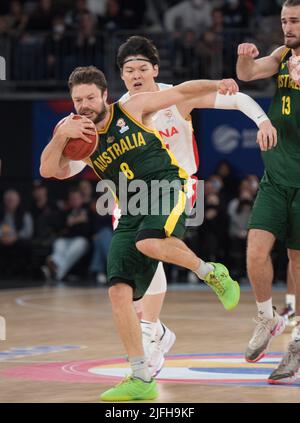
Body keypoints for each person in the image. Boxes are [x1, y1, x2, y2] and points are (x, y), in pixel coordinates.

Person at [40, 66, 275, 401]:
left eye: (90, 97)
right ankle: (140, 376)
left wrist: (217, 82)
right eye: (78, 100)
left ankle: (210, 272)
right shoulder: (81, 139)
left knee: (149, 241)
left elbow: (180, 92)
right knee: (118, 293)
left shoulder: (132, 108)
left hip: (166, 186)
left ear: (104, 95)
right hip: (130, 207)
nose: (84, 105)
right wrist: (61, 135)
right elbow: (48, 170)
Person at [115, 35, 278, 378]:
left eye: (143, 68)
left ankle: (150, 330)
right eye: (129, 70)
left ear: (155, 70)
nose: (136, 74)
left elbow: (237, 100)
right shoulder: (119, 112)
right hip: (131, 194)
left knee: (149, 243)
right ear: (122, 76)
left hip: (178, 185)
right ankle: (156, 331)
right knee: (128, 265)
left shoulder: (177, 97)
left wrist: (262, 120)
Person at [236, 0, 300, 385]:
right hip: (276, 176)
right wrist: (244, 59)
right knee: (256, 250)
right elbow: (247, 74)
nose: (288, 27)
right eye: (284, 20)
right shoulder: (282, 54)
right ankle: (267, 317)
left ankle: (296, 342)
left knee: (296, 262)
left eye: (294, 21)